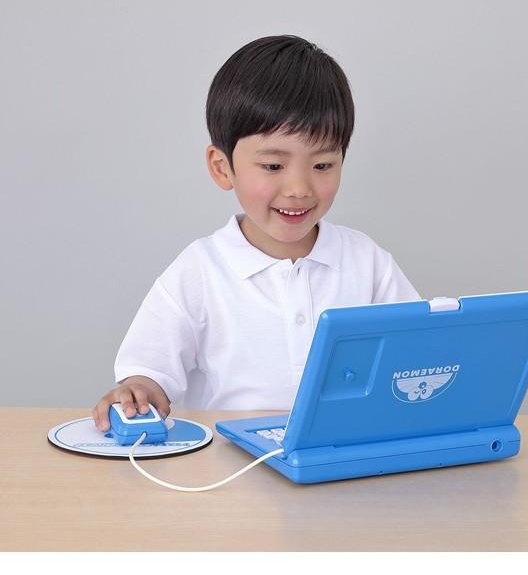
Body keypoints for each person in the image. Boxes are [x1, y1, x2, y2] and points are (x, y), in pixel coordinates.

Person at [92, 34, 421, 432]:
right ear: (222, 167)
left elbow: (419, 354)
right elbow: (149, 371)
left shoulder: (366, 262)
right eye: (272, 166)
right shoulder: (200, 271)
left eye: (322, 166)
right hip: (229, 462)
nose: (299, 188)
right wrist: (139, 388)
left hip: (342, 453)